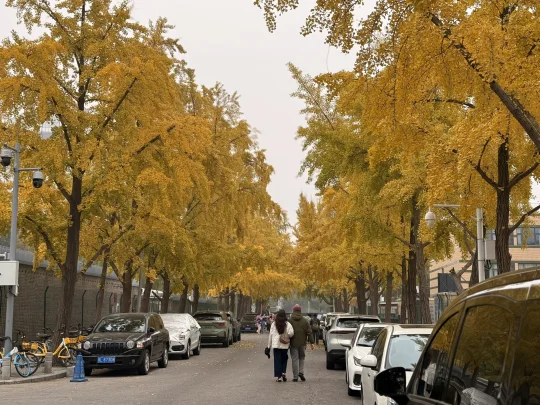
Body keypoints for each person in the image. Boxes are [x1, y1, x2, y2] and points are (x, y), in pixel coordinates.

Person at [289, 304, 314, 382]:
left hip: (293, 343)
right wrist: (312, 342)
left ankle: (295, 377)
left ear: (293, 311)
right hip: (302, 343)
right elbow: (309, 332)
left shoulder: (290, 321)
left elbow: (287, 331)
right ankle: (301, 372)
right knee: (302, 358)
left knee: (294, 359)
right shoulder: (305, 321)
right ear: (300, 311)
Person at [267, 309, 294, 382]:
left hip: (276, 345)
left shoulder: (274, 324)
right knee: (284, 359)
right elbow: (291, 333)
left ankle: (278, 377)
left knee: (277, 360)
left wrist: (268, 346)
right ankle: (283, 372)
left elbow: (270, 335)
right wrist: (286, 336)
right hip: (284, 345)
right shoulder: (287, 324)